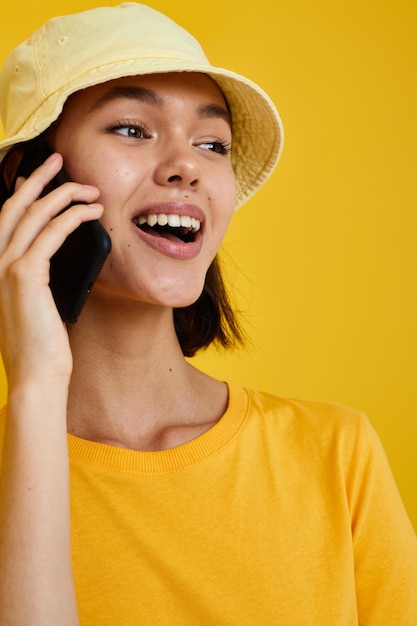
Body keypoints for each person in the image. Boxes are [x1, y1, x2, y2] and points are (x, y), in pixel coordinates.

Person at [0, 3, 415, 625]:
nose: (187, 166)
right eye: (133, 130)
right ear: (25, 180)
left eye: (212, 143)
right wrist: (33, 391)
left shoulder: (336, 455)